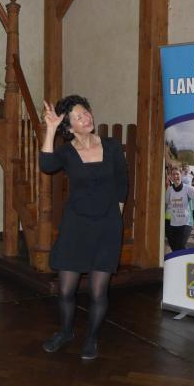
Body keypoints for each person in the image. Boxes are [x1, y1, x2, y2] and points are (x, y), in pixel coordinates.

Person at [39, 95, 128, 361]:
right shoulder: (67, 152)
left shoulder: (111, 146)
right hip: (76, 226)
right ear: (69, 127)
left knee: (98, 291)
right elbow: (46, 165)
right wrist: (51, 129)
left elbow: (122, 183)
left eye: (86, 112)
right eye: (79, 116)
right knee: (66, 289)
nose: (86, 117)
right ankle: (65, 331)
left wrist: (115, 217)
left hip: (107, 226)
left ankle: (91, 338)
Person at [165, 168, 194, 251]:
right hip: (173, 222)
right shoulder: (169, 190)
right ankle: (185, 257)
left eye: (177, 174)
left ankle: (184, 257)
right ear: (171, 177)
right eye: (173, 174)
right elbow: (166, 203)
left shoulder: (187, 188)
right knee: (174, 247)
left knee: (179, 246)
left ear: (181, 175)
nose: (175, 176)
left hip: (186, 222)